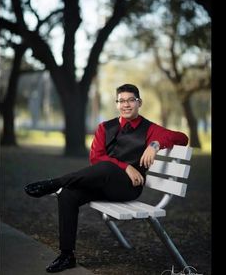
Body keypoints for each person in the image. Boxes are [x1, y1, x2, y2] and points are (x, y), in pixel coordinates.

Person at [24, 83, 189, 273]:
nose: (126, 104)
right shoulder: (105, 127)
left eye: (131, 100)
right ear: (117, 104)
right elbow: (96, 158)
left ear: (139, 102)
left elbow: (182, 138)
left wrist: (154, 144)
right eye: (122, 101)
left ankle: (54, 183)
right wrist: (126, 166)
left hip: (127, 188)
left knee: (107, 166)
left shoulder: (149, 128)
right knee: (69, 194)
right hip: (102, 182)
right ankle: (66, 255)